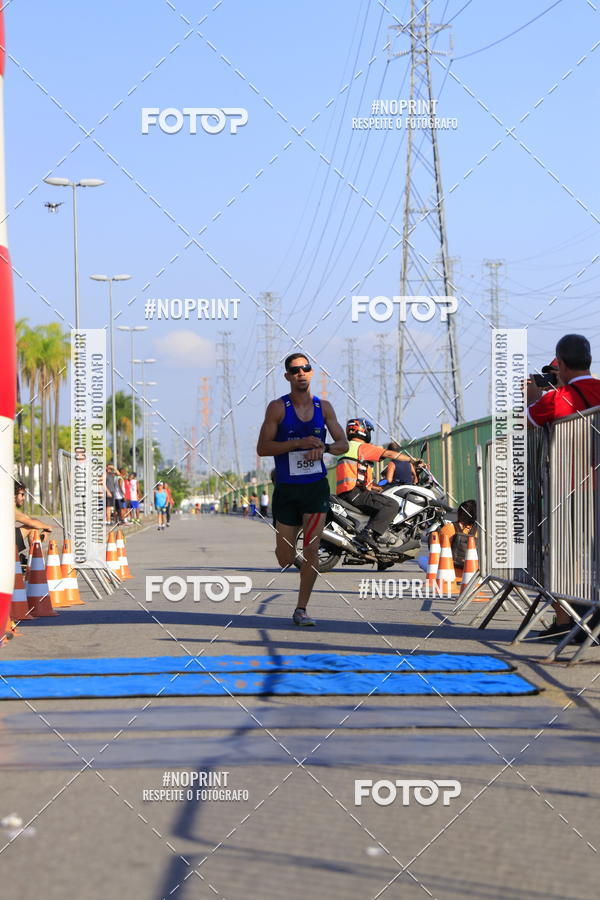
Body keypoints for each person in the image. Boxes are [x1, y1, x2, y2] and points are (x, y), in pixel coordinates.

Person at [257, 353, 347, 626]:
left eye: (306, 368)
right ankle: (290, 541)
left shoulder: (324, 407)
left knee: (311, 550)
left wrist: (324, 447)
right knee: (285, 558)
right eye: (295, 370)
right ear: (288, 376)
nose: (301, 373)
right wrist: (297, 444)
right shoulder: (278, 408)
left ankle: (301, 608)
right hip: (287, 490)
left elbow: (343, 444)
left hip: (315, 488)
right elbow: (263, 448)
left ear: (311, 372)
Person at [527, 334, 600, 639]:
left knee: (563, 558)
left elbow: (527, 422)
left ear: (563, 365)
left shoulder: (559, 398)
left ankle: (567, 623)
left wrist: (532, 395)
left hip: (571, 488)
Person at [336, 419, 419, 549]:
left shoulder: (346, 448)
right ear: (363, 431)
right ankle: (368, 533)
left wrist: (376, 487)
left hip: (346, 493)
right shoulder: (362, 447)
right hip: (356, 493)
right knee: (392, 504)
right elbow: (389, 454)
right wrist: (412, 460)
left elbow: (355, 475)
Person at [14, 482, 52, 567]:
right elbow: (31, 523)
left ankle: (32, 560)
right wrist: (48, 527)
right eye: (22, 495)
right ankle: (36, 562)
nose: (24, 498)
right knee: (32, 528)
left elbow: (31, 520)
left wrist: (43, 528)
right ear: (14, 495)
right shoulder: (10, 509)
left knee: (33, 527)